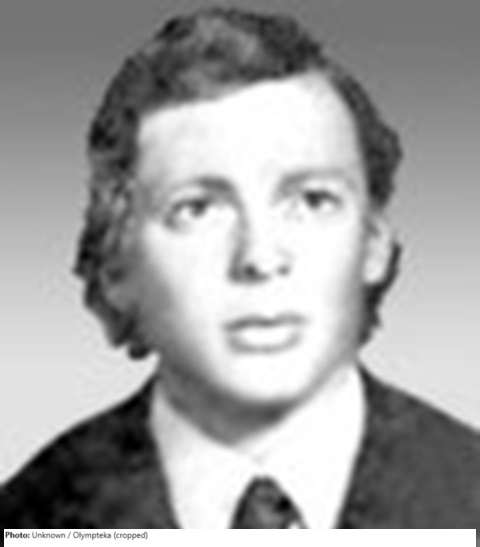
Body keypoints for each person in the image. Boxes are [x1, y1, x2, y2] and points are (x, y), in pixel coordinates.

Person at [1, 7, 479, 529]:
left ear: (373, 243)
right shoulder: (31, 518)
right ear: (117, 263)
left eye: (312, 200)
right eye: (197, 209)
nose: (259, 258)